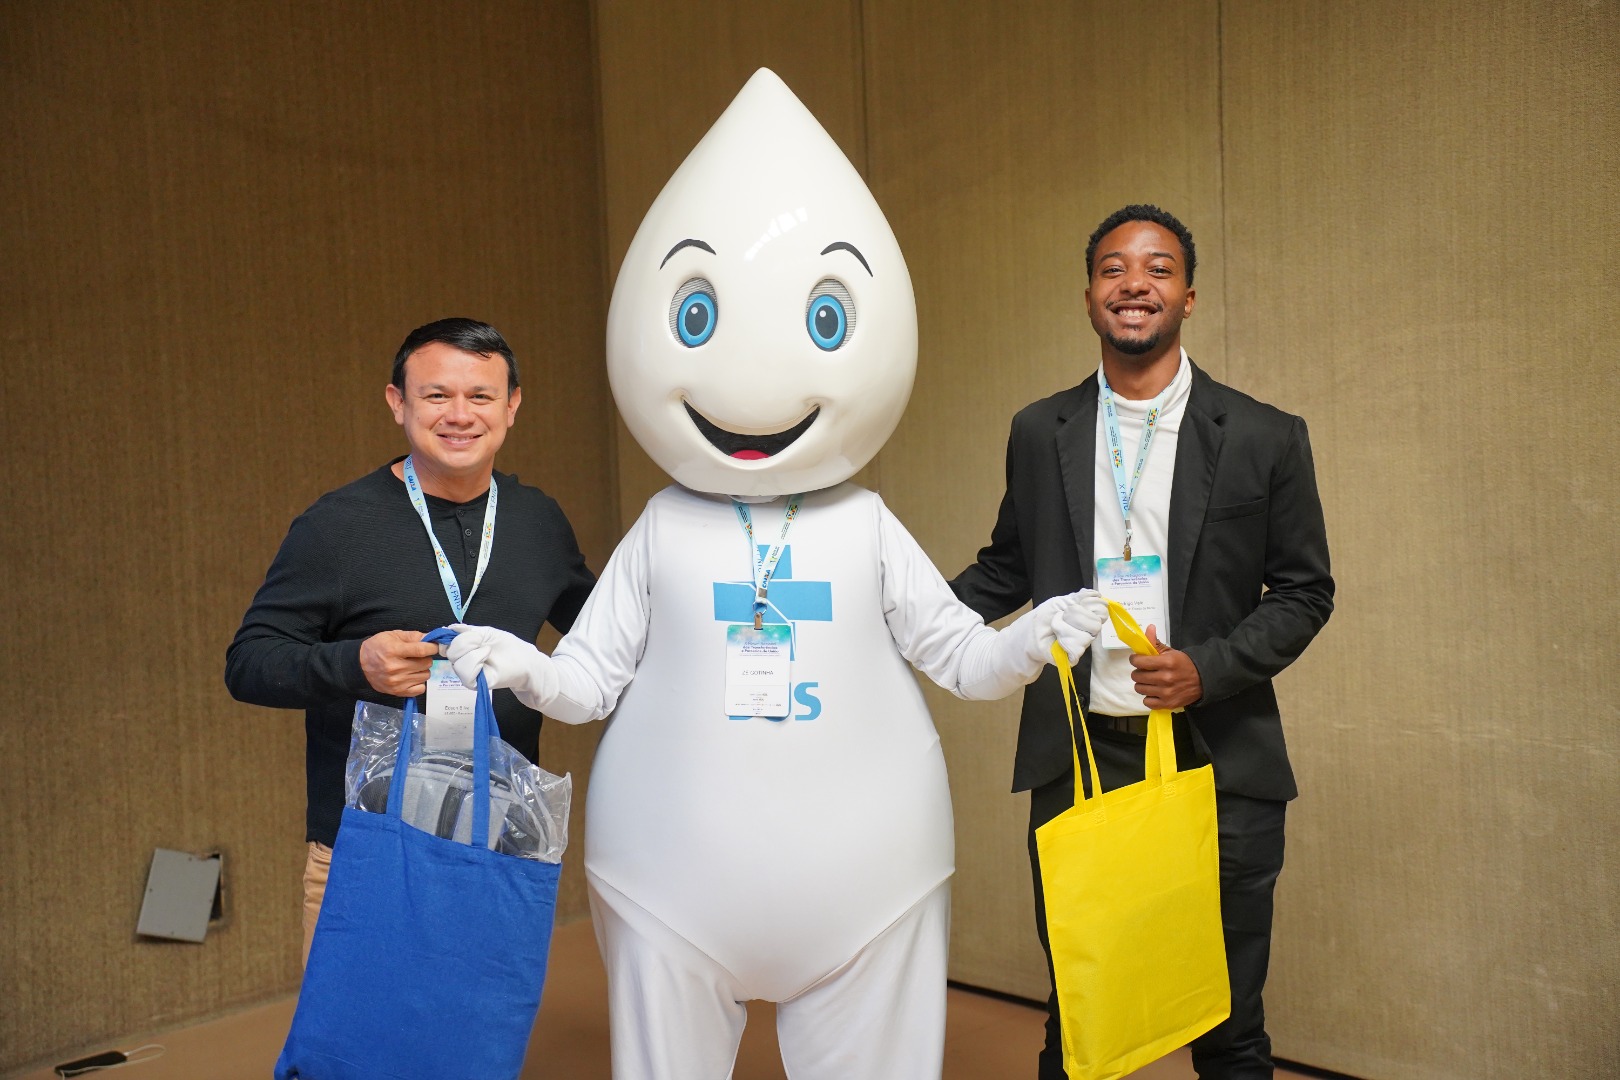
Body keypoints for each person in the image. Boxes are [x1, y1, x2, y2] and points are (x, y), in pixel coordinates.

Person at [950, 204, 1334, 1079]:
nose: (1135, 284)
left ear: (1188, 297)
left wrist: (1208, 669)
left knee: (1229, 1031)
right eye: (1114, 268)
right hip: (1083, 759)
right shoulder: (1039, 431)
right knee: (1082, 1022)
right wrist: (898, 618)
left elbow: (1305, 591)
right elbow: (1007, 568)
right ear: (1090, 296)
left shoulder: (1265, 435)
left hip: (1220, 763)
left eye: (1159, 269)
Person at [225, 317, 595, 962]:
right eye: (436, 395)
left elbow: (602, 639)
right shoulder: (337, 526)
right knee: (357, 1028)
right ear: (398, 402)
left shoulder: (538, 521)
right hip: (370, 845)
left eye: (481, 396)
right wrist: (355, 663)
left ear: (511, 406)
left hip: (500, 842)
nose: (460, 415)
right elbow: (249, 663)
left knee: (485, 1024)